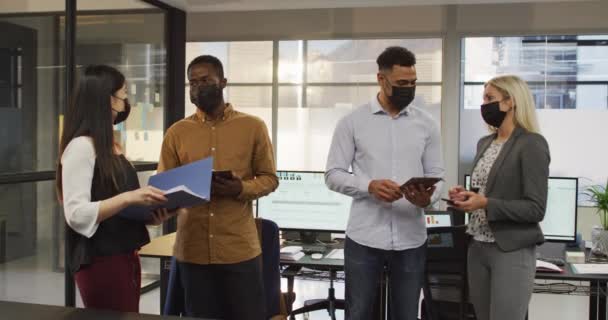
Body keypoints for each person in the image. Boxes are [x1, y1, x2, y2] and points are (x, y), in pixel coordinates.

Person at [325, 46, 444, 320]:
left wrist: (429, 197)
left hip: (411, 238)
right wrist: (369, 186)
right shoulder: (352, 122)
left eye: (413, 82)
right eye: (402, 83)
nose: (409, 88)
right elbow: (333, 174)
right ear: (381, 79)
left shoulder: (427, 125)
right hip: (364, 238)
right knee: (359, 314)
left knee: (406, 315)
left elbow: (439, 175)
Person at [157, 55, 278, 320]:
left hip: (238, 249)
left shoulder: (253, 127)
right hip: (193, 250)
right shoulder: (177, 132)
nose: (198, 87)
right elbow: (163, 186)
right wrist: (174, 195)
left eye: (205, 80)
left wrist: (239, 189)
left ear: (223, 82)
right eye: (192, 83)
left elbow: (270, 178)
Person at [57, 65, 177, 312]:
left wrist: (152, 215)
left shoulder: (111, 145)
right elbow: (76, 214)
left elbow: (115, 207)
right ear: (106, 99)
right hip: (101, 261)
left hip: (125, 255)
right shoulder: (81, 147)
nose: (126, 102)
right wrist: (129, 198)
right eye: (123, 94)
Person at [448, 75, 550, 320]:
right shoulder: (485, 143)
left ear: (511, 101)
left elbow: (536, 208)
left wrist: (485, 203)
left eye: (489, 98)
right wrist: (467, 197)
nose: (484, 105)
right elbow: (486, 192)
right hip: (477, 247)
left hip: (510, 249)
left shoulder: (531, 144)